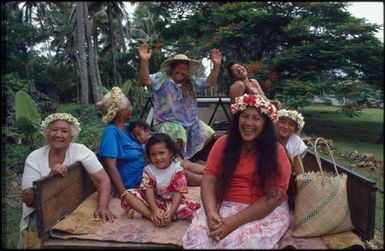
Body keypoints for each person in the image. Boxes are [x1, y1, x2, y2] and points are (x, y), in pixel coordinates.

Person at [183, 94, 291, 249]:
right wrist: (211, 212)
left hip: (263, 210)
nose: (249, 123)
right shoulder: (223, 143)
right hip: (224, 204)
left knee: (235, 243)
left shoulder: (276, 151)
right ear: (237, 119)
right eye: (245, 116)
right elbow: (209, 180)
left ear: (265, 124)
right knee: (197, 241)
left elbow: (273, 198)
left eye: (256, 118)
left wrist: (233, 222)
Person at [19, 113, 115, 249]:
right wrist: (51, 177)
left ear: (71, 136)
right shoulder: (34, 158)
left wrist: (103, 206)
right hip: (41, 215)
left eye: (64, 131)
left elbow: (103, 179)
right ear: (47, 133)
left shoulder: (81, 151)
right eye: (54, 129)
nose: (58, 134)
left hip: (69, 206)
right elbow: (28, 199)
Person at [138, 43, 222, 160]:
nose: (181, 71)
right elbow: (146, 81)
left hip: (190, 124)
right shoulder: (162, 77)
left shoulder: (190, 81)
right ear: (172, 68)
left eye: (184, 69)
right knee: (178, 131)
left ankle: (189, 159)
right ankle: (176, 162)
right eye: (179, 68)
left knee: (208, 132)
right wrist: (144, 61)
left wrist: (216, 66)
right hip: (166, 122)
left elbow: (208, 83)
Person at [120, 133, 201, 227]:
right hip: (151, 201)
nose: (158, 158)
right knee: (127, 195)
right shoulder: (148, 170)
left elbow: (178, 193)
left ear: (170, 152)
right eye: (153, 154)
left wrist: (170, 213)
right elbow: (148, 190)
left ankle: (163, 215)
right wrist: (154, 210)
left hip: (171, 202)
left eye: (161, 153)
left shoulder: (177, 169)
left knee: (182, 209)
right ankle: (152, 216)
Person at [97, 87, 146, 198]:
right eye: (129, 105)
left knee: (180, 167)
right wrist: (124, 194)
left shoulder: (128, 128)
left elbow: (147, 136)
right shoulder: (111, 133)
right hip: (132, 182)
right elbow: (111, 167)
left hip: (144, 176)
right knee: (180, 173)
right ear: (122, 112)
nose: (131, 108)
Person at [128, 119, 205, 186]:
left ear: (147, 130)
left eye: (139, 134)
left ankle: (209, 172)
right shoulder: (141, 147)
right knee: (186, 173)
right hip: (162, 167)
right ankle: (207, 180)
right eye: (135, 136)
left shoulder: (155, 140)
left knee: (188, 164)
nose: (138, 138)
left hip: (170, 162)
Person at [276, 109, 307, 175]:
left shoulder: (296, 142)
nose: (286, 127)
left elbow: (299, 169)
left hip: (288, 177)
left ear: (295, 129)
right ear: (276, 123)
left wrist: (303, 182)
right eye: (283, 122)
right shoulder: (269, 137)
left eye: (291, 125)